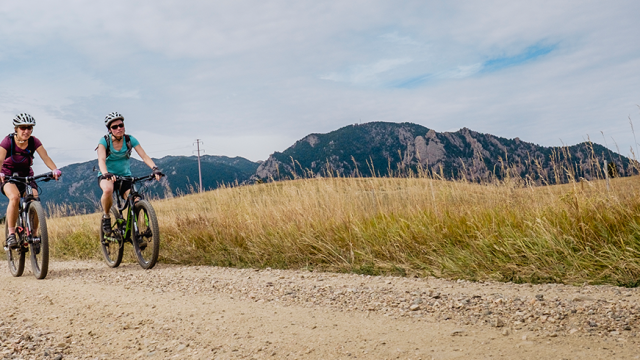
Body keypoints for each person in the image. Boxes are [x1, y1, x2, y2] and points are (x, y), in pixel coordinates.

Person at [0, 113, 61, 248]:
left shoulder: (34, 142)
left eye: (29, 128)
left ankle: (34, 234)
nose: (26, 131)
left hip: (27, 174)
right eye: (23, 128)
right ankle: (11, 234)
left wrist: (55, 170)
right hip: (8, 175)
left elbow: (45, 157)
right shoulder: (7, 141)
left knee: (34, 198)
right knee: (15, 197)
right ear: (16, 128)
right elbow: (0, 159)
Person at [96, 112, 162, 237]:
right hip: (107, 176)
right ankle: (106, 217)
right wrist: (106, 173)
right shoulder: (104, 141)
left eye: (121, 125)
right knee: (108, 190)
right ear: (110, 130)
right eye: (114, 127)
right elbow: (101, 160)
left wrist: (155, 168)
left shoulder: (130, 140)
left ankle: (136, 233)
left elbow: (144, 156)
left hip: (125, 177)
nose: (118, 128)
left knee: (136, 201)